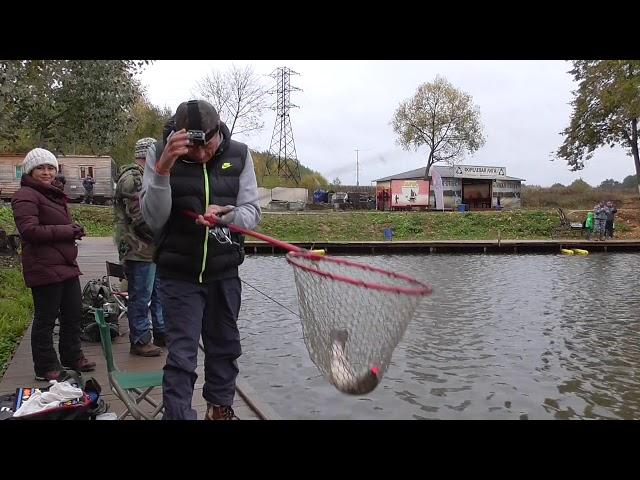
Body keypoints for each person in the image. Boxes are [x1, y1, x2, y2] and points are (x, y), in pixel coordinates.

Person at [140, 100, 261, 420]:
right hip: (179, 274)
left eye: (208, 145)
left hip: (223, 272)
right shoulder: (158, 153)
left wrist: (229, 216)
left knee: (225, 348)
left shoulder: (239, 154)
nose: (202, 154)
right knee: (181, 356)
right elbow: (153, 218)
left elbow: (252, 212)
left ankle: (219, 410)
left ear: (218, 131)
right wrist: (164, 169)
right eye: (193, 149)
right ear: (179, 138)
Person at [11, 148, 96, 381]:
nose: (47, 172)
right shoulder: (26, 195)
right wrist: (67, 231)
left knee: (73, 312)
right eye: (41, 168)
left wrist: (73, 230)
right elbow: (29, 231)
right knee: (46, 318)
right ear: (31, 171)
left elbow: (52, 224)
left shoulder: (52, 193)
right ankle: (45, 365)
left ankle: (71, 355)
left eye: (50, 168)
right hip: (42, 265)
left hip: (64, 263)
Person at [114, 138, 165, 357]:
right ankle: (140, 340)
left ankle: (161, 333)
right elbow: (139, 218)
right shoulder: (133, 179)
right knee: (140, 296)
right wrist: (164, 236)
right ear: (149, 156)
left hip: (150, 249)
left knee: (158, 294)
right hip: (138, 248)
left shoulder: (144, 176)